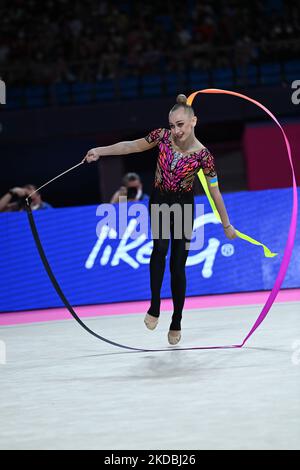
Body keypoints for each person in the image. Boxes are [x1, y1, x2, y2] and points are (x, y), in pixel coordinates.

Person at [83, 94, 237, 345]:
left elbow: (214, 191)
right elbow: (131, 146)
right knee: (160, 248)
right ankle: (155, 305)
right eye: (172, 125)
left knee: (178, 265)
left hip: (184, 205)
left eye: (181, 125)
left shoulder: (203, 156)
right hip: (160, 201)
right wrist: (100, 151)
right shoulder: (161, 137)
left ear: (193, 121)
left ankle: (176, 319)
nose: (175, 131)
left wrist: (226, 224)